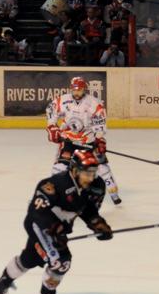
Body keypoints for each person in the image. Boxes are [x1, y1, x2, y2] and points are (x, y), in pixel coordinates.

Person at [0, 149, 113, 294]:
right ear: (74, 169)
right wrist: (53, 230)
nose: (90, 177)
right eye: (86, 173)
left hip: (58, 231)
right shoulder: (53, 184)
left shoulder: (92, 186)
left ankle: (0, 284)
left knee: (30, 258)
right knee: (61, 261)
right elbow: (36, 213)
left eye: (93, 173)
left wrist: (98, 224)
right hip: (40, 227)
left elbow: (87, 209)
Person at [45, 76, 122, 205]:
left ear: (84, 89)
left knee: (102, 168)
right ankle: (55, 195)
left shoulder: (94, 103)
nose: (77, 93)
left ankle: (114, 194)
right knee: (59, 168)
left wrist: (99, 140)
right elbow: (51, 110)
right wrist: (52, 127)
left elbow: (100, 123)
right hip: (68, 140)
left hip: (88, 140)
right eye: (75, 90)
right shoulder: (63, 100)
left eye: (79, 90)